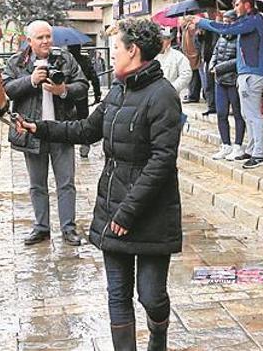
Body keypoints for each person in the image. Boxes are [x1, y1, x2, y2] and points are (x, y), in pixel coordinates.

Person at [16, 19, 182, 351]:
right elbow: (86, 129)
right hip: (112, 204)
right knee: (117, 294)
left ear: (133, 51)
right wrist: (40, 128)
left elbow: (162, 162)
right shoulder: (117, 90)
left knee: (151, 296)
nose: (113, 54)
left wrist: (127, 214)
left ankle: (158, 334)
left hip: (149, 214)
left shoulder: (163, 96)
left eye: (116, 47)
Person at [2, 20, 87, 246]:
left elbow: (83, 86)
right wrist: (30, 81)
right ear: (29, 41)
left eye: (48, 36)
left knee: (66, 182)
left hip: (61, 130)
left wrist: (63, 90)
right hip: (32, 132)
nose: (46, 41)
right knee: (37, 184)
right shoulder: (17, 62)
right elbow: (5, 89)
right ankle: (41, 228)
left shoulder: (64, 59)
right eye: (40, 37)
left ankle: (68, 228)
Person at [197, 0, 263, 169]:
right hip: (245, 72)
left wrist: (203, 23)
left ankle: (258, 154)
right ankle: (251, 149)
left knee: (252, 115)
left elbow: (227, 29)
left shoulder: (254, 19)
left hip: (253, 72)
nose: (235, 8)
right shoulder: (247, 21)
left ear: (247, 4)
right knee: (246, 114)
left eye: (237, 5)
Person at [209, 10, 245, 161]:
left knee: (237, 114)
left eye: (229, 20)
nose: (226, 23)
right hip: (220, 81)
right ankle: (226, 144)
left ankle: (238, 145)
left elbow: (239, 60)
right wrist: (212, 65)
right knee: (221, 113)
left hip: (233, 80)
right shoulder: (221, 38)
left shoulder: (240, 38)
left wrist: (219, 68)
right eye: (224, 20)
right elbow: (215, 54)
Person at [68, 45, 101, 158]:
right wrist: (97, 94)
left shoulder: (66, 60)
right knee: (83, 122)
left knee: (68, 123)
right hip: (82, 97)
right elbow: (94, 77)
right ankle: (84, 147)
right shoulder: (85, 60)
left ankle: (70, 147)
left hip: (68, 98)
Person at [153, 26, 192, 97]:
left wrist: (172, 88)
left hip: (171, 96)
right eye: (160, 39)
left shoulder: (178, 56)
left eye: (164, 39)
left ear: (169, 40)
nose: (162, 42)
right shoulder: (151, 55)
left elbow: (186, 74)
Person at [198, 14, 218, 116]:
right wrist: (200, 35)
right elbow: (199, 44)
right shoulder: (204, 32)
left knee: (215, 84)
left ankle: (217, 106)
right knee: (208, 85)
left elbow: (215, 45)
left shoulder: (216, 28)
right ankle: (211, 106)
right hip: (206, 59)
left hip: (214, 59)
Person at [179, 16, 201, 103]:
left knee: (194, 77)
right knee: (193, 77)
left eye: (181, 19)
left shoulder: (191, 28)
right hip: (189, 55)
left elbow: (194, 43)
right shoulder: (185, 29)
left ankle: (193, 95)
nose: (180, 21)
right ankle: (192, 94)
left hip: (193, 56)